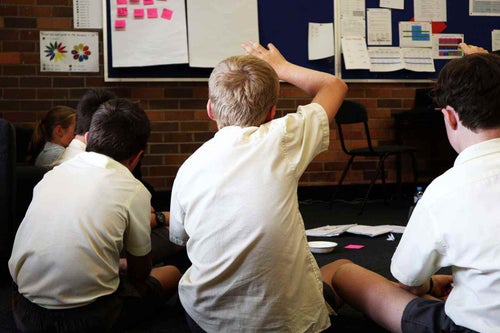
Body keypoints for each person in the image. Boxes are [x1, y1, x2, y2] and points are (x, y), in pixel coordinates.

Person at [168, 41, 348, 332]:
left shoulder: (188, 168)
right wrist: (282, 68)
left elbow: (180, 237)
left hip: (206, 321)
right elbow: (334, 85)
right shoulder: (283, 137)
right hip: (288, 322)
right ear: (272, 113)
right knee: (338, 273)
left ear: (210, 110)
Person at [327, 53, 500, 332]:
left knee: (344, 273)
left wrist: (430, 283)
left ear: (450, 117)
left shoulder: (446, 189)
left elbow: (408, 281)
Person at [9, 98, 182, 333]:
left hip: (23, 311)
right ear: (137, 157)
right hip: (87, 318)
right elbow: (140, 272)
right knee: (171, 273)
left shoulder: (53, 174)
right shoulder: (133, 189)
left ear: (87, 138)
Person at [52, 88, 183, 266]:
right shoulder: (110, 174)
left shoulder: (58, 170)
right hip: (88, 266)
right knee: (178, 239)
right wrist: (161, 217)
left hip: (30, 280)